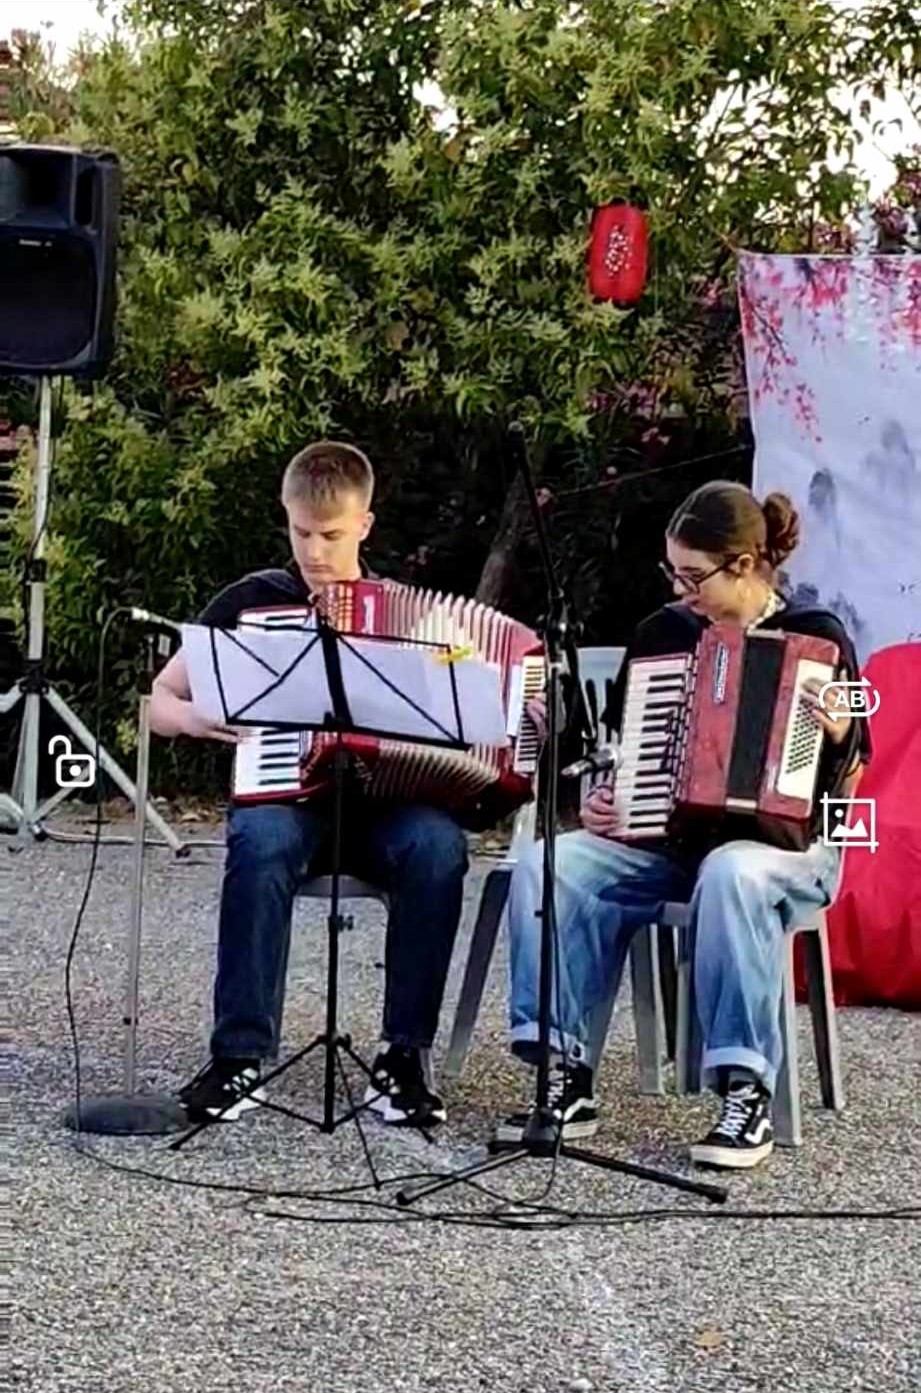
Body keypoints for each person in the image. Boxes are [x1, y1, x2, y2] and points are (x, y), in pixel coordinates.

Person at [497, 480, 872, 1169]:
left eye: (693, 575)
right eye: (672, 572)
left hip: (789, 852)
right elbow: (620, 754)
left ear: (745, 564)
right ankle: (564, 1075)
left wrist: (840, 731)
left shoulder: (820, 637)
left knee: (732, 871)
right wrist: (608, 798)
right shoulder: (662, 636)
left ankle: (744, 1091)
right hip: (672, 846)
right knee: (552, 864)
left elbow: (855, 769)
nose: (679, 589)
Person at [150, 440, 469, 1129]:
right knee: (259, 838)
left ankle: (403, 1057)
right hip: (286, 799)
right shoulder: (252, 601)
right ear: (285, 516)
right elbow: (158, 702)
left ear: (365, 525)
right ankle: (238, 1055)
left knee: (439, 845)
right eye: (301, 533)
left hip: (383, 808)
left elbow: (456, 720)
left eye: (331, 535)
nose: (315, 552)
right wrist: (198, 717)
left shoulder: (406, 615)